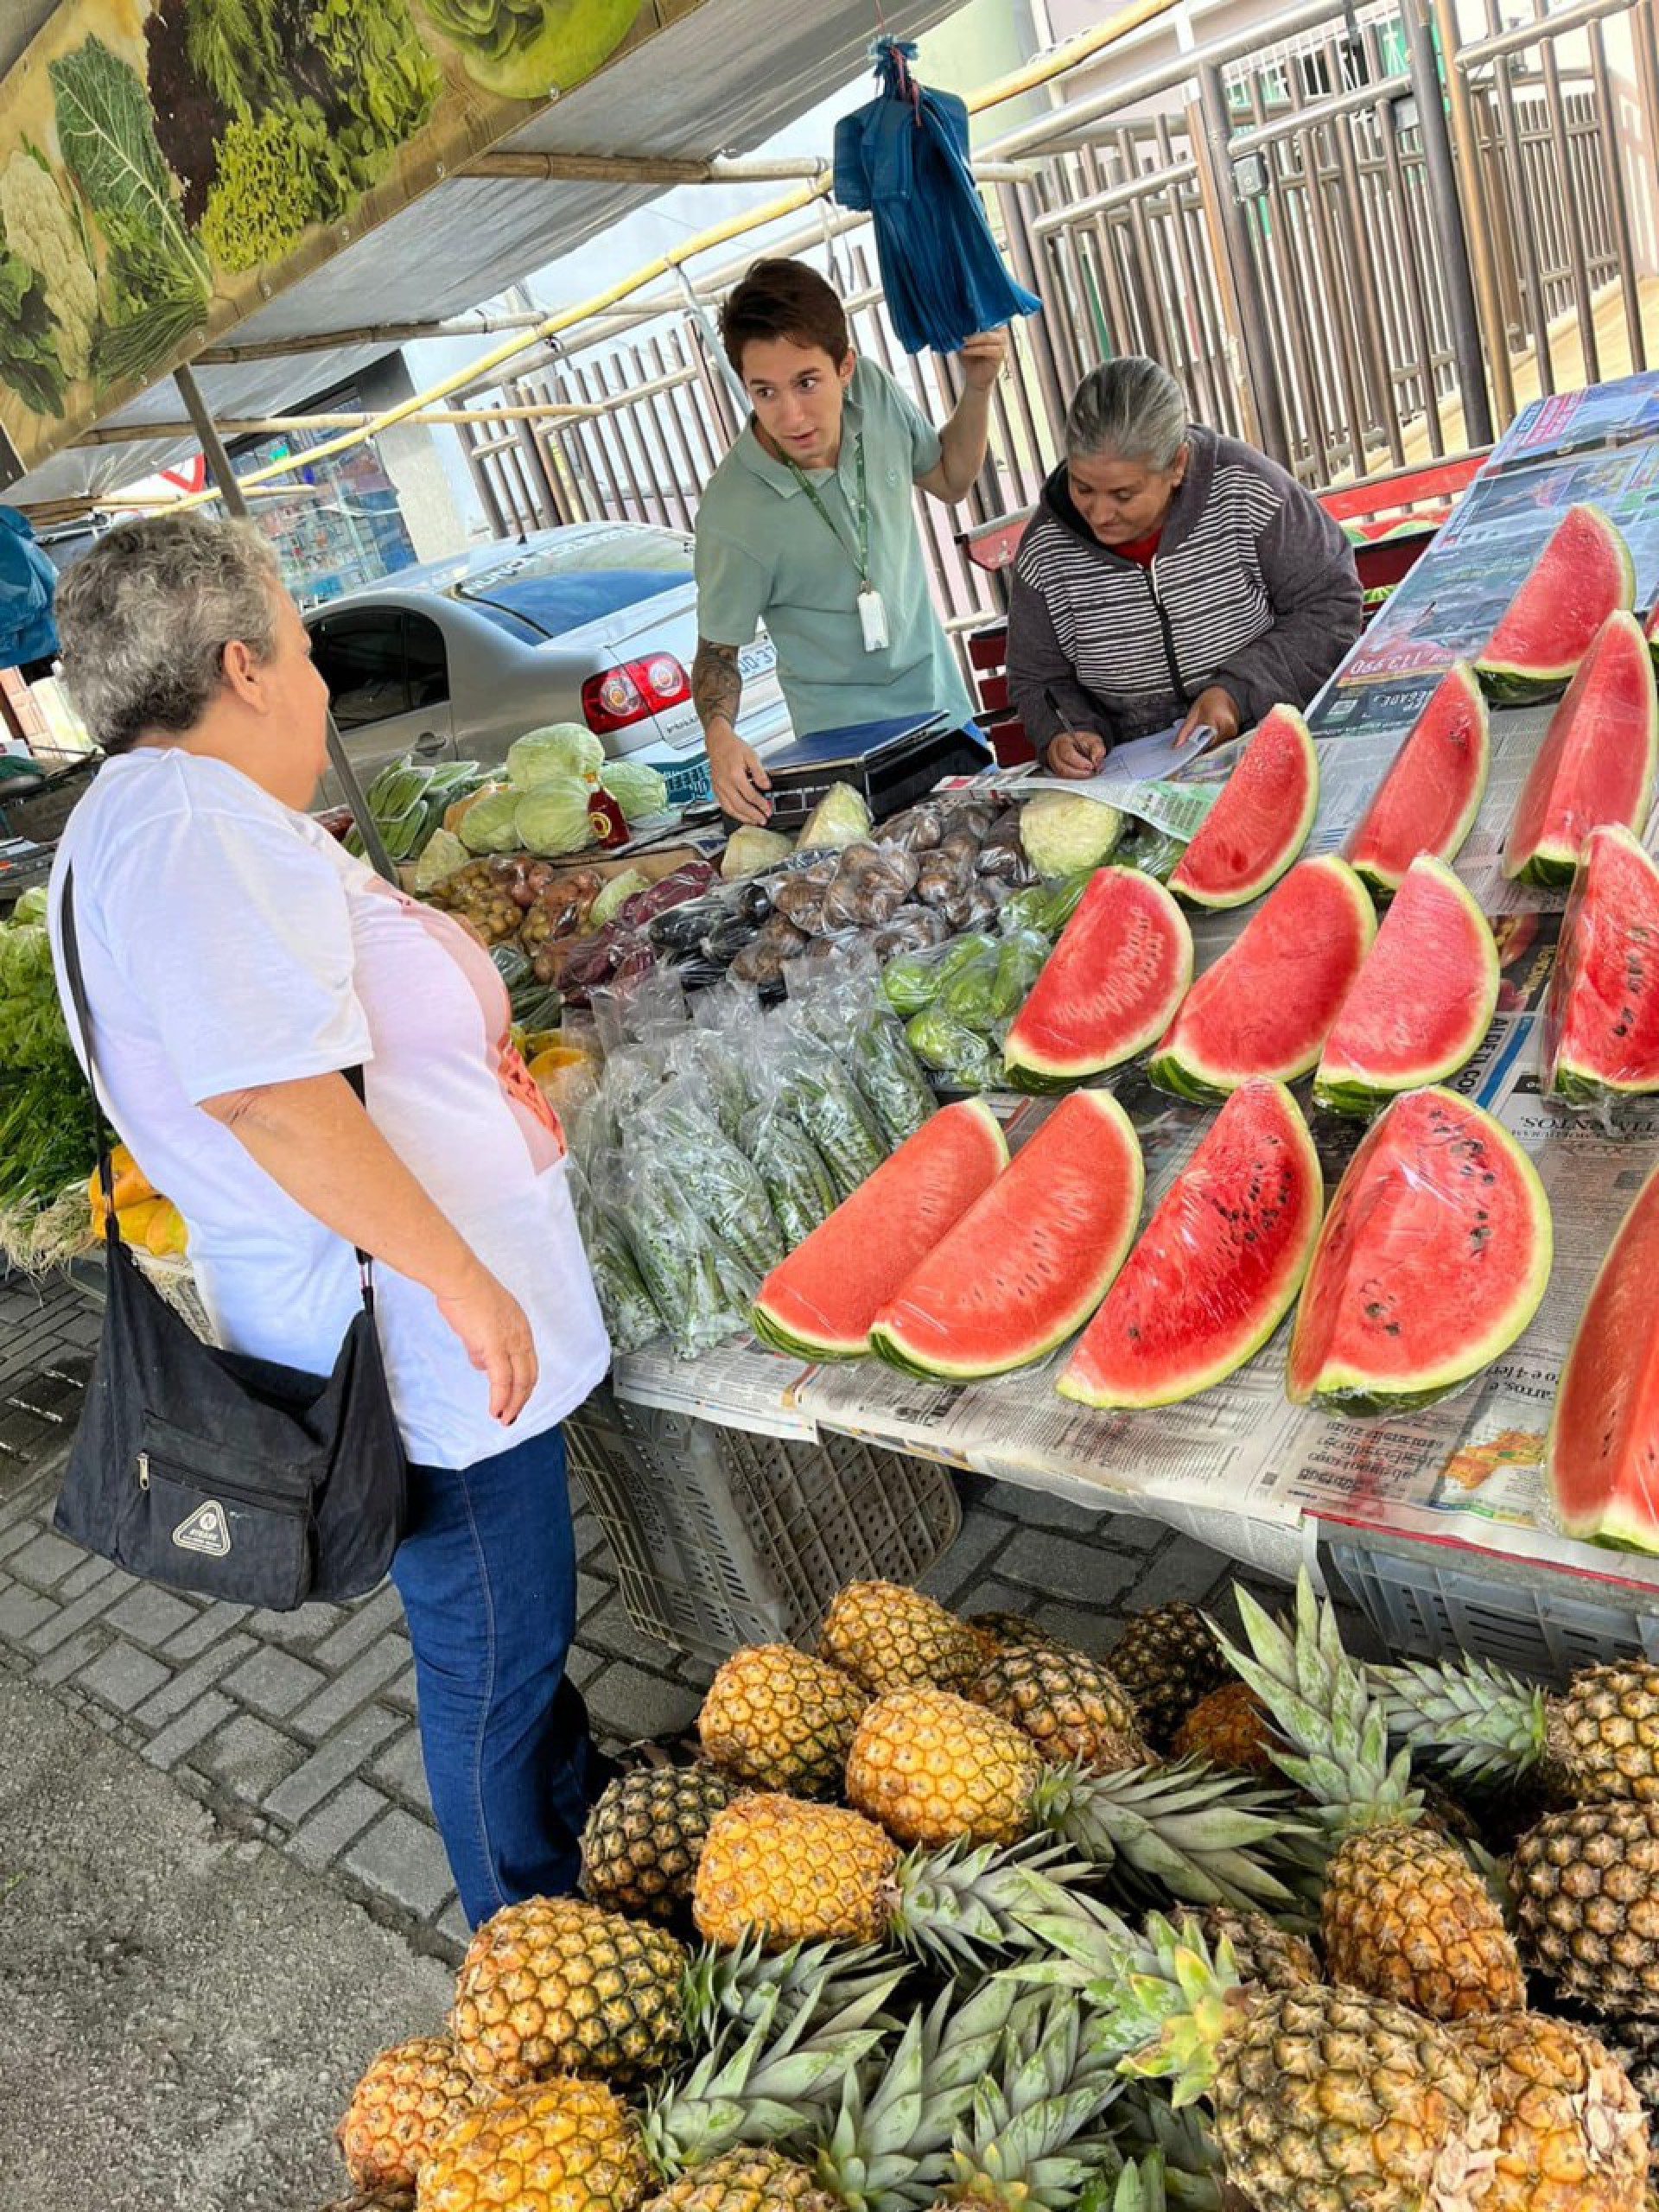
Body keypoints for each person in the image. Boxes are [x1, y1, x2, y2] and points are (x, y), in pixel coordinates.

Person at [45, 515, 613, 1929]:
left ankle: (569, 1837)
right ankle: (526, 1940)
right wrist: (468, 1284)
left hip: (401, 1312)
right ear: (242, 665)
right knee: (492, 1649)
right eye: (300, 647)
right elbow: (276, 1101)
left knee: (510, 1637)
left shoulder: (170, 817)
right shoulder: (182, 824)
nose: (310, 677)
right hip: (411, 1335)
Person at [691, 257, 1006, 825]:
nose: (791, 416)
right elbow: (717, 653)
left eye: (806, 383)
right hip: (844, 761)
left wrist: (978, 387)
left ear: (845, 367)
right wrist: (720, 737)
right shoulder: (730, 513)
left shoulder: (877, 394)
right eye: (764, 392)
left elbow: (952, 479)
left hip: (945, 713)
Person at [1007, 356, 1363, 777]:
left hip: (1278, 745)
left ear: (1177, 464)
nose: (1100, 514)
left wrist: (1237, 692)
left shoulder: (1247, 489)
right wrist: (1065, 732)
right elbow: (1039, 679)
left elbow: (1330, 605)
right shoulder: (1046, 550)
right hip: (1134, 781)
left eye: (1123, 495)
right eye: (1082, 487)